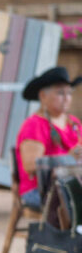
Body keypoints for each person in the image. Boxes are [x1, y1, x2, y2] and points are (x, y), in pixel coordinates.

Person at [15, 66, 82, 208]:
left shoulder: (74, 123)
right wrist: (68, 159)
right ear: (43, 96)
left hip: (71, 184)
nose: (66, 98)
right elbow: (30, 166)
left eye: (69, 93)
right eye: (60, 93)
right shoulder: (34, 125)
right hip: (40, 191)